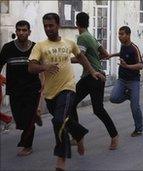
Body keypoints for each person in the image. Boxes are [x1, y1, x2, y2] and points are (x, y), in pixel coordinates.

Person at [28, 13, 103, 171]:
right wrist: (44, 67)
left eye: (51, 25)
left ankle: (61, 159)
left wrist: (92, 71)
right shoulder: (40, 46)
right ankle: (80, 134)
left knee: (58, 121)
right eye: (45, 26)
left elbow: (81, 57)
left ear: (58, 25)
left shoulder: (69, 43)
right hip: (50, 93)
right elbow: (31, 67)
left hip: (68, 88)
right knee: (62, 120)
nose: (48, 29)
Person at [70, 12, 119, 150]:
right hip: (93, 76)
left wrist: (64, 59)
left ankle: (114, 136)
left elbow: (81, 57)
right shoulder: (91, 37)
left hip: (93, 77)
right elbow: (105, 54)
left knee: (96, 109)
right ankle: (77, 136)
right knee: (76, 104)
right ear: (88, 23)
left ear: (76, 23)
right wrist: (95, 60)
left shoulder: (82, 38)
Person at [0, 20, 42, 156]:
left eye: (24, 30)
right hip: (14, 89)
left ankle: (27, 146)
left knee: (28, 121)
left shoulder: (36, 48)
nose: (21, 32)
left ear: (29, 32)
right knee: (19, 119)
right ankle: (33, 116)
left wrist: (43, 86)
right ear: (16, 31)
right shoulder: (7, 48)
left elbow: (41, 69)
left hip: (32, 89)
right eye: (19, 30)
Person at [108, 26, 143, 137]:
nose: (119, 36)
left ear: (128, 35)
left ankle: (138, 129)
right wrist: (111, 55)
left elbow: (141, 65)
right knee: (113, 98)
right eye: (119, 34)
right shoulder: (123, 46)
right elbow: (121, 53)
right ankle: (128, 96)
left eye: (122, 34)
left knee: (135, 107)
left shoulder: (134, 48)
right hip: (122, 80)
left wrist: (127, 66)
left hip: (133, 81)